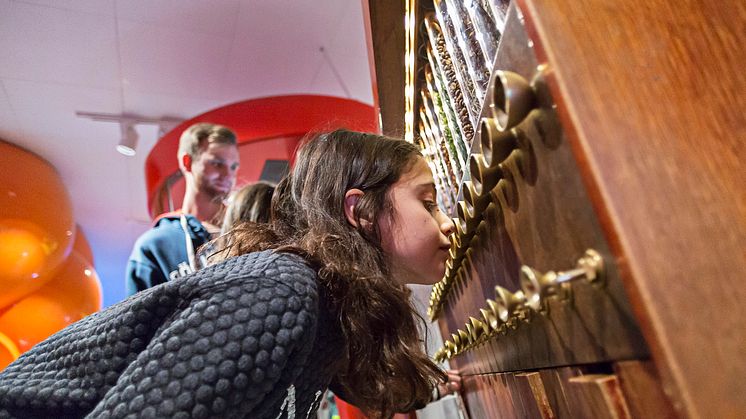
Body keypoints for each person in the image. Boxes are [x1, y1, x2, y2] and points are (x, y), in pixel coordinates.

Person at [0, 129, 460, 418]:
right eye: (428, 201)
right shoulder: (281, 291)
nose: (448, 222)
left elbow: (372, 384)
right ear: (358, 210)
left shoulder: (329, 312)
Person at [125, 122, 240, 296]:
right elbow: (138, 318)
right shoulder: (155, 244)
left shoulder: (245, 231)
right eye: (217, 163)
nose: (228, 175)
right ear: (187, 162)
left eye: (233, 167)